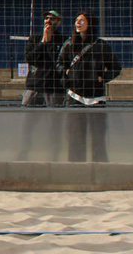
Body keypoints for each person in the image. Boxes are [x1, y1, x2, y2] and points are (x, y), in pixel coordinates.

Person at [58, 11, 121, 162]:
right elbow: (59, 64)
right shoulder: (69, 44)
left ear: (90, 23)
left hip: (96, 97)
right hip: (75, 96)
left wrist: (103, 78)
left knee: (98, 137)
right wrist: (66, 75)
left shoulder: (100, 45)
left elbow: (116, 67)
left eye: (82, 20)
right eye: (76, 20)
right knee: (75, 137)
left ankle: (99, 168)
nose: (78, 23)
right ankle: (76, 168)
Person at [22, 10, 65, 107]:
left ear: (58, 22)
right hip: (34, 86)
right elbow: (30, 59)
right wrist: (43, 42)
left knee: (54, 119)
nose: (48, 20)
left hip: (54, 88)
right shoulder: (34, 39)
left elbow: (58, 61)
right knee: (27, 118)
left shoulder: (63, 40)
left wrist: (50, 42)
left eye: (52, 18)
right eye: (46, 18)